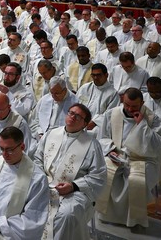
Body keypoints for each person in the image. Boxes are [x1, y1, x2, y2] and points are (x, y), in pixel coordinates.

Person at [32, 103, 107, 240]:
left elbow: (98, 176)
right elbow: (37, 159)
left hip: (75, 191)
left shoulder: (92, 144)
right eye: (71, 113)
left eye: (78, 116)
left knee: (66, 215)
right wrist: (41, 179)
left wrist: (73, 186)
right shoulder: (51, 134)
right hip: (45, 184)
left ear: (85, 124)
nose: (72, 117)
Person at [96, 87, 161, 227]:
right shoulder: (111, 114)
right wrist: (111, 150)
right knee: (105, 171)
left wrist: (142, 124)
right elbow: (102, 137)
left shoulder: (151, 118)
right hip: (116, 155)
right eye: (127, 105)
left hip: (143, 159)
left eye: (134, 106)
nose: (130, 109)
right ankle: (106, 215)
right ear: (122, 100)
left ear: (142, 103)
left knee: (137, 180)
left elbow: (156, 145)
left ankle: (133, 219)